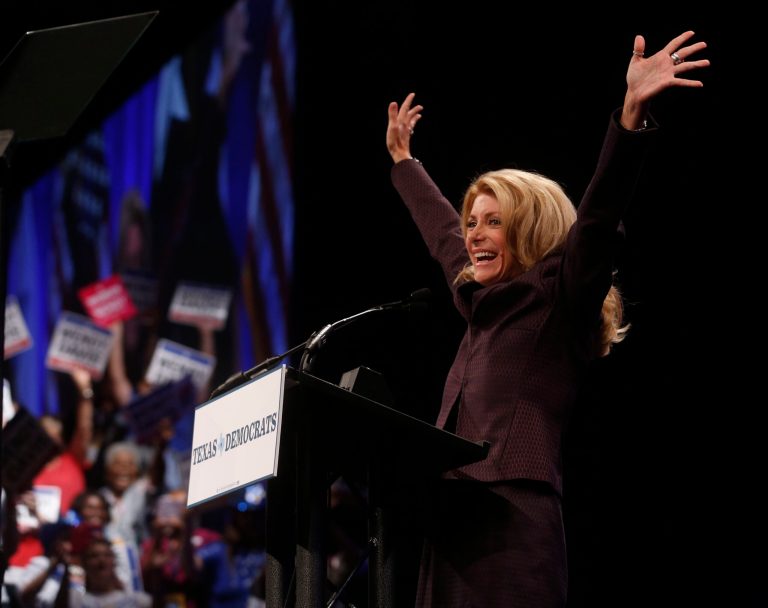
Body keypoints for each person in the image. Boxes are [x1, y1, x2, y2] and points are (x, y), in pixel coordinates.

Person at [385, 31, 709, 607]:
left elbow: (598, 216)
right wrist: (405, 163)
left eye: (492, 222)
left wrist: (630, 117)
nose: (473, 235)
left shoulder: (559, 295)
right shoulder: (479, 303)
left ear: (529, 227)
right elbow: (441, 235)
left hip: (513, 516)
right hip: (450, 517)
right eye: (472, 222)